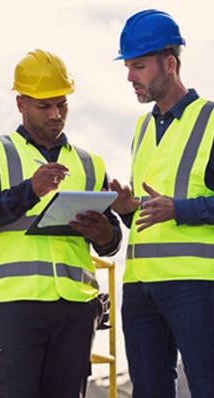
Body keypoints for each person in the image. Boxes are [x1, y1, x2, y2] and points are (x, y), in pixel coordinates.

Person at [0, 49, 121, 398]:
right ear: (21, 104)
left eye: (61, 105)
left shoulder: (90, 163)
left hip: (77, 307)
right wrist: (30, 191)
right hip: (15, 305)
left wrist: (104, 233)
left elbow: (111, 241)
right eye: (44, 106)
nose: (55, 115)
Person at [110, 9, 214, 398]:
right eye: (128, 66)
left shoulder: (211, 120)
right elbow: (150, 211)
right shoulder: (141, 128)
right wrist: (125, 209)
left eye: (138, 66)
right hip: (139, 286)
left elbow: (173, 206)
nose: (130, 77)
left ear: (170, 64)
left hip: (197, 286)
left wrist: (181, 210)